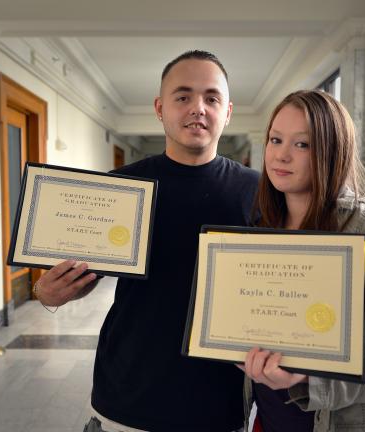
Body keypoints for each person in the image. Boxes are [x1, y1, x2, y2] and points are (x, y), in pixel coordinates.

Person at [33, 50, 260, 431]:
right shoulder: (121, 188)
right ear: (160, 107)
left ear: (228, 111)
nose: (198, 108)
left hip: (221, 398)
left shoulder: (259, 192)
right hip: (128, 393)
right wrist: (50, 293)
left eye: (211, 98)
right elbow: (87, 276)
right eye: (183, 96)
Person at [240, 90, 365, 431]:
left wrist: (310, 374)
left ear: (333, 151)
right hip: (272, 421)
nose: (281, 155)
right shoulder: (262, 229)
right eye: (275, 139)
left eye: (303, 145)